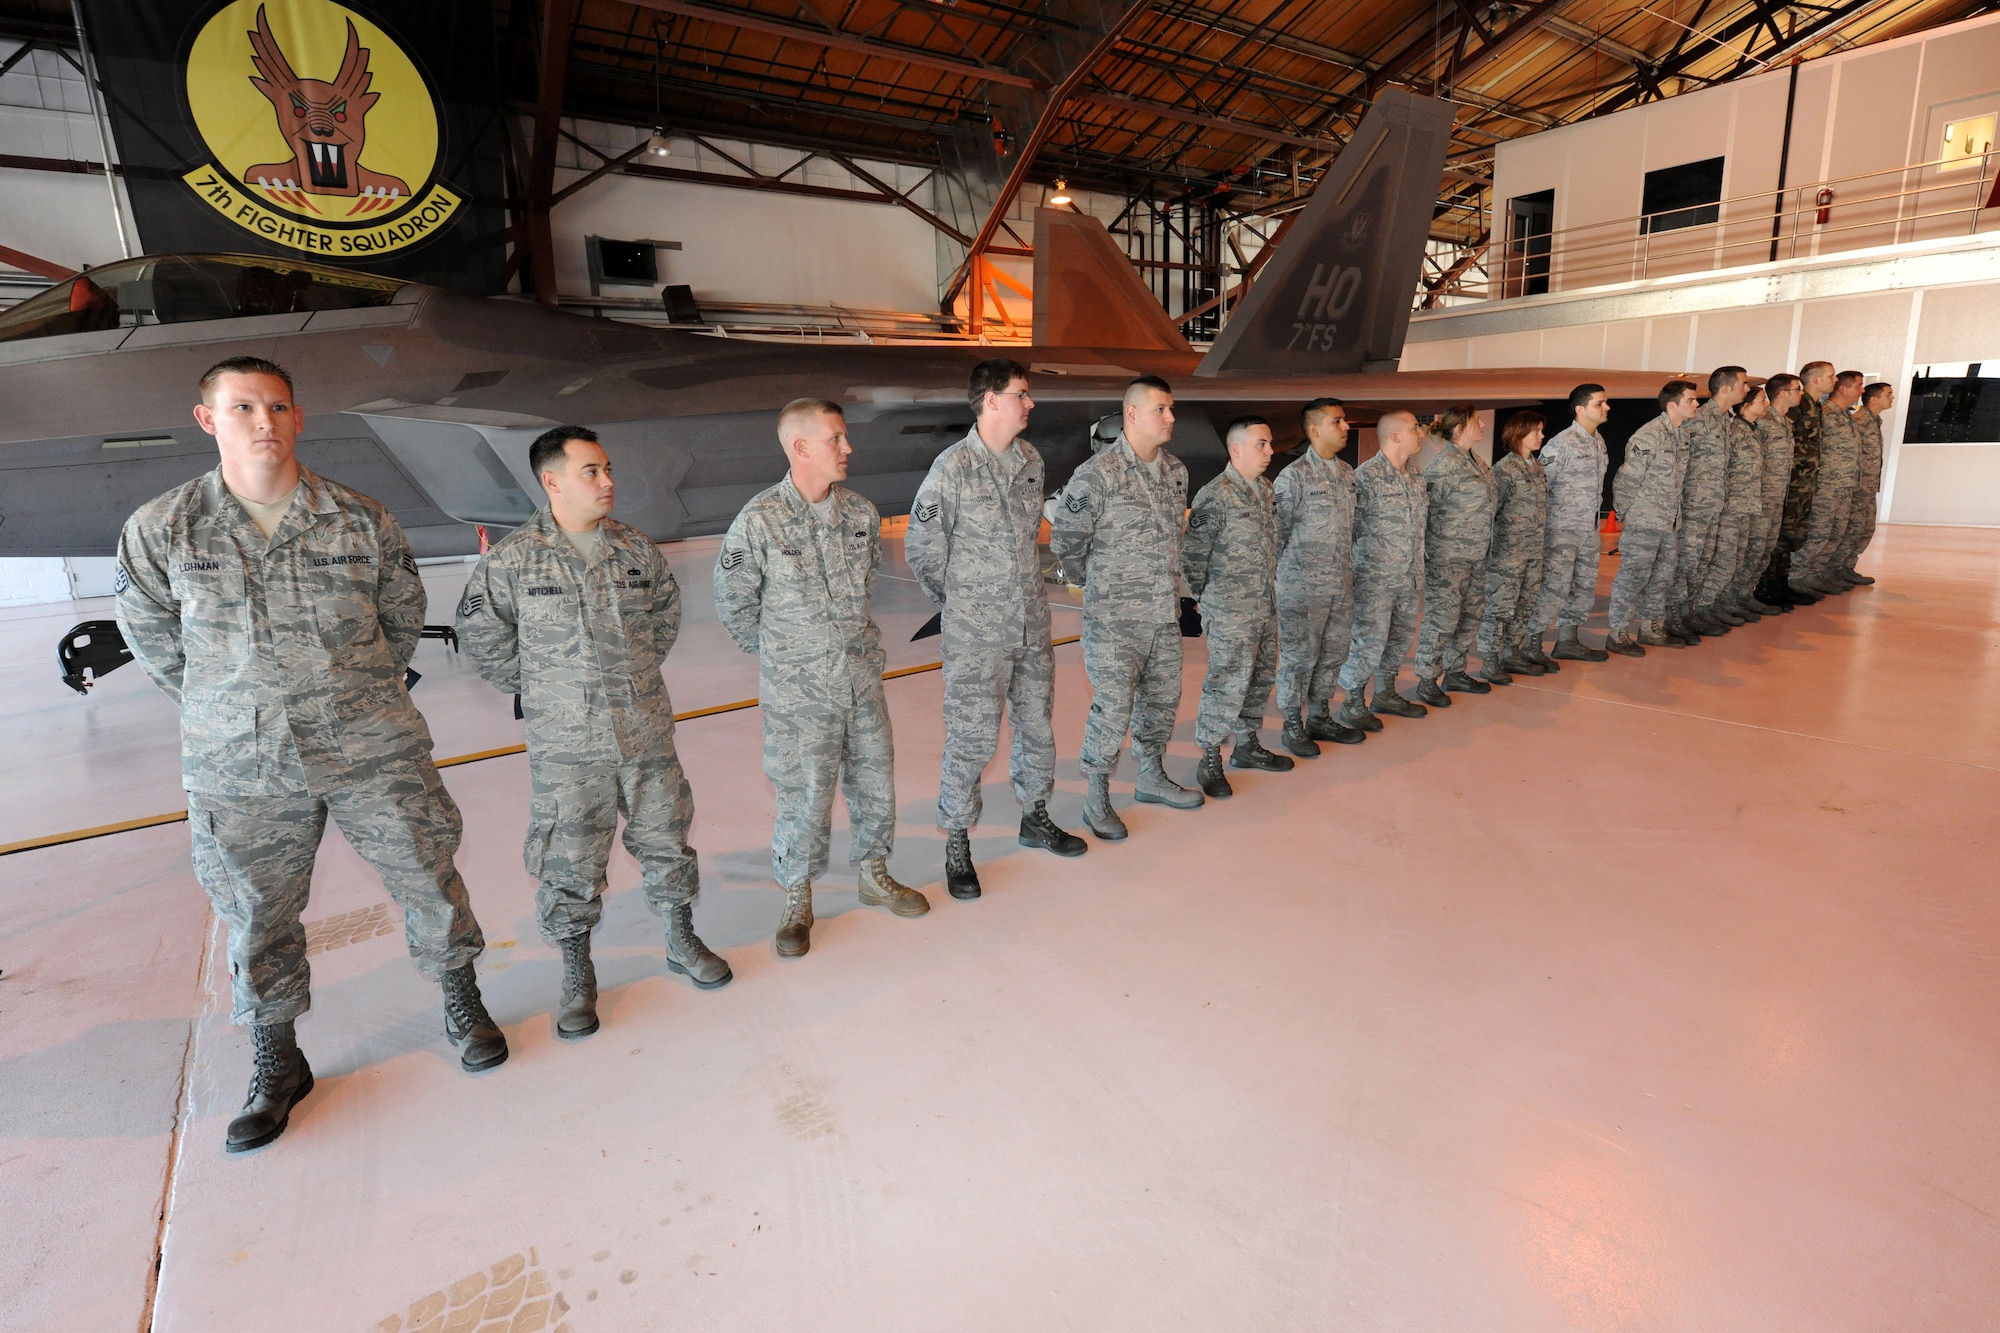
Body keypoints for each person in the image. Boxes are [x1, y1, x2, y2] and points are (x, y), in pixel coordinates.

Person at [115, 356, 503, 1154]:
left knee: (428, 874)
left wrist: (354, 691)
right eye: (244, 407)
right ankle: (278, 1060)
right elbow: (154, 643)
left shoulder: (357, 517)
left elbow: (401, 615)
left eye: (279, 406)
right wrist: (234, 702)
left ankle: (462, 1001)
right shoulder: (164, 528)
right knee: (256, 915)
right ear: (208, 420)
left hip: (371, 744)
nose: (265, 422)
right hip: (240, 762)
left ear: (300, 418)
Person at [456, 426, 729, 1041]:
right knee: (569, 857)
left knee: (666, 837)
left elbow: (663, 618)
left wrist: (629, 680)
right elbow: (484, 639)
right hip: (567, 746)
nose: (608, 482)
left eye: (608, 469)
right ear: (551, 481)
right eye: (590, 472)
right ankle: (577, 975)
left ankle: (681, 940)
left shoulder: (635, 549)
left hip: (645, 731)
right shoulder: (513, 560)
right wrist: (549, 690)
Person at [713, 399, 929, 959]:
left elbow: (863, 592)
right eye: (836, 438)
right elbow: (735, 606)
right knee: (803, 793)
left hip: (859, 679)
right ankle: (797, 897)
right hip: (798, 692)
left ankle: (875, 874)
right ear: (801, 447)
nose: (848, 448)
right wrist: (790, 660)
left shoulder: (859, 513)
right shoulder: (758, 520)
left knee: (875, 780)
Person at [904, 359, 1084, 903]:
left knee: (1038, 727)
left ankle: (1036, 816)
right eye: (1022, 394)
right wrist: (963, 606)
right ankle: (957, 841)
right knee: (972, 738)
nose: (1031, 404)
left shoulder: (1031, 460)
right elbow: (922, 548)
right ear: (990, 400)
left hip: (1031, 622)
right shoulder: (951, 469)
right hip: (977, 633)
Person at [1050, 375, 1204, 836]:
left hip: (1162, 614)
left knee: (1161, 701)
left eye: (1172, 409)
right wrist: (1096, 584)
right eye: (1161, 409)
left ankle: (1152, 776)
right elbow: (1067, 543)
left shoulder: (1176, 471)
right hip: (1114, 619)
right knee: (1114, 706)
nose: (1171, 417)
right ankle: (1096, 793)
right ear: (1132, 414)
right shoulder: (1097, 475)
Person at [1182, 415, 1293, 798]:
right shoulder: (1215, 495)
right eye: (1261, 444)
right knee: (1226, 683)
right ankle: (1210, 756)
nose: (1270, 451)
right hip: (1230, 611)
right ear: (1236, 449)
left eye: (1270, 443)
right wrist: (1209, 599)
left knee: (1260, 679)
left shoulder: (1264, 490)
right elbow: (1192, 558)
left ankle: (1247, 745)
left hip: (1264, 605)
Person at [1273, 397, 1364, 757]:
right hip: (1302, 589)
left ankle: (1321, 716)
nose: (1346, 427)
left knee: (1333, 655)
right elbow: (1275, 536)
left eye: (1345, 421)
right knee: (1299, 659)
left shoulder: (1346, 474)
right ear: (1314, 430)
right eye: (1337, 421)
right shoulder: (1293, 477)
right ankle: (1292, 722)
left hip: (1340, 586)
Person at [1335, 410, 1430, 729]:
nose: (1422, 433)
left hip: (1409, 576)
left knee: (1400, 638)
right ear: (1395, 436)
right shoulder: (1365, 478)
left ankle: (1386, 692)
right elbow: (1346, 532)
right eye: (1415, 428)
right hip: (1374, 580)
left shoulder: (1416, 476)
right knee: (1368, 642)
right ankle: (1352, 701)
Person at [1604, 380, 1700, 656]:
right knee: (1633, 578)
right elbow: (1626, 480)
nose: (1696, 404)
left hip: (1669, 522)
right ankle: (1618, 633)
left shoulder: (1681, 435)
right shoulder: (1649, 435)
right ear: (1672, 405)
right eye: (1690, 400)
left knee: (1662, 577)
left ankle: (1650, 627)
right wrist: (1626, 514)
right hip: (1644, 521)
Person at [1412, 406, 1498, 706]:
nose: (1483, 424)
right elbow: (1427, 513)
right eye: (1477, 421)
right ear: (1460, 428)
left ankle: (1456, 671)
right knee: (1442, 620)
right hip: (1448, 559)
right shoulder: (1443, 466)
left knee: (1471, 616)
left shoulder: (1477, 461)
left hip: (1477, 556)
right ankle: (1426, 678)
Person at [1531, 384, 1611, 664]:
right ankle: (1531, 644)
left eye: (1605, 403)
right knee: (1552, 589)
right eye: (1599, 403)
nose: (1606, 407)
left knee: (1583, 588)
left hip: (1588, 531)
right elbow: (1541, 486)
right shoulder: (1560, 443)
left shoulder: (1598, 441)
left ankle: (1568, 641)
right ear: (1580, 409)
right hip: (1561, 530)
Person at [1669, 366, 1746, 643]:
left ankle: (1692, 612)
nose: (1746, 390)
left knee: (1702, 563)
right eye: (1743, 384)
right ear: (1726, 388)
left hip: (1714, 505)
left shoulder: (1726, 420)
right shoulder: (1698, 419)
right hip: (1693, 507)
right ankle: (1673, 617)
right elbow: (1680, 462)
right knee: (1686, 564)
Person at [1476, 410, 1549, 681]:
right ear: (1519, 434)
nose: (1541, 436)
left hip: (1533, 551)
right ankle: (1490, 659)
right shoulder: (1504, 470)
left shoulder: (1537, 466)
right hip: (1508, 554)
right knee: (1500, 608)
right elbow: (1492, 511)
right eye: (1536, 431)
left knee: (1524, 604)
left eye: (1541, 431)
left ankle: (1512, 652)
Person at [1705, 379, 1770, 629]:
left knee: (1739, 559)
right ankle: (1709, 606)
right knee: (1724, 560)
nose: (1766, 404)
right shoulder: (1732, 430)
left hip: (1748, 504)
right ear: (1745, 406)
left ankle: (1727, 602)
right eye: (1761, 400)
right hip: (1731, 506)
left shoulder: (1752, 430)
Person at [1794, 370, 1865, 597]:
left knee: (1835, 533)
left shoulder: (1844, 415)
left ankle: (1815, 575)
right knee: (1819, 533)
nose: (1862, 390)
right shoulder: (1824, 412)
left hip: (1844, 484)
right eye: (1858, 385)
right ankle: (1797, 576)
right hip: (1826, 485)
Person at [1773, 360, 1835, 605]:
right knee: (1782, 537)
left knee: (1794, 537)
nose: (1835, 380)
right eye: (1831, 376)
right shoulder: (1796, 409)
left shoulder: (1816, 407)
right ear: (1816, 380)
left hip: (1806, 485)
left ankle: (1783, 584)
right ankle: (1771, 588)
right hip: (1792, 485)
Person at [1747, 374, 1803, 613]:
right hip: (1762, 496)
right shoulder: (1763, 422)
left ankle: (1770, 587)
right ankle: (1757, 591)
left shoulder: (1785, 421)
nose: (1801, 393)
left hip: (1778, 495)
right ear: (1783, 393)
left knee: (1770, 546)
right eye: (1797, 389)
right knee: (1756, 546)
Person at [1839, 382, 1893, 587]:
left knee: (1864, 528)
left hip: (1868, 485)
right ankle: (1837, 569)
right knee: (1853, 528)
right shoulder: (1860, 420)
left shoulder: (1873, 420)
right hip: (1858, 485)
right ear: (1874, 399)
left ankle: (1847, 567)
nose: (1892, 398)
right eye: (1888, 394)